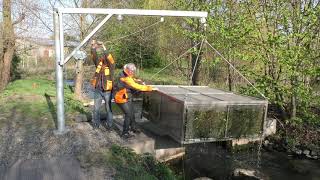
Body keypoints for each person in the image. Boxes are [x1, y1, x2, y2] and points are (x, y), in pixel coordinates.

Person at [114, 63, 155, 138]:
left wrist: (137, 80)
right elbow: (136, 86)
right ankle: (124, 133)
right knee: (128, 114)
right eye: (131, 71)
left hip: (126, 96)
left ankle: (133, 128)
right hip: (120, 98)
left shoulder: (124, 73)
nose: (132, 72)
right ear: (127, 70)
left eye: (133, 71)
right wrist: (150, 88)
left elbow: (131, 79)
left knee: (132, 113)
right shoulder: (125, 78)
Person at [90, 40, 115, 129]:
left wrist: (103, 45)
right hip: (98, 90)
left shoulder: (111, 66)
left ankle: (110, 126)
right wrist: (93, 46)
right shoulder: (99, 65)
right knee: (96, 109)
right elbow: (94, 56)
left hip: (107, 91)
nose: (102, 58)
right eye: (102, 57)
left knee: (108, 109)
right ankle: (96, 125)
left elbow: (109, 57)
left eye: (104, 57)